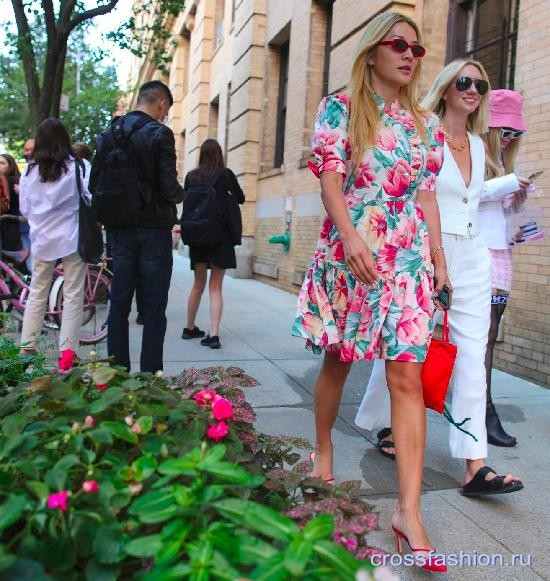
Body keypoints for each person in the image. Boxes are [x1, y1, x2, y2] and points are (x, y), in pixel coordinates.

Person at [291, 12, 447, 571]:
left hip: (406, 264)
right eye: (398, 45)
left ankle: (410, 512)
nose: (409, 55)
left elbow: (427, 196)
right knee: (337, 360)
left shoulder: (424, 123)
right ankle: (324, 449)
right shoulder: (341, 107)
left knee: (407, 377)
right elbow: (330, 176)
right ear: (373, 51)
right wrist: (352, 237)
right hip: (352, 255)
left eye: (417, 49)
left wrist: (438, 262)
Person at [356, 60, 524, 498]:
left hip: (472, 255)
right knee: (405, 346)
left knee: (471, 354)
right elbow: (415, 191)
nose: (473, 89)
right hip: (425, 250)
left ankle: (475, 465)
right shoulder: (423, 129)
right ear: (446, 89)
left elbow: (472, 198)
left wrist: (508, 187)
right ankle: (383, 422)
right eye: (464, 82)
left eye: (480, 83)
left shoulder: (475, 142)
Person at [90, 80, 185, 373]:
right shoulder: (160, 133)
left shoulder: (108, 134)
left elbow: (94, 184)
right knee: (153, 308)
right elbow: (169, 188)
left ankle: (116, 375)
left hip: (119, 230)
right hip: (154, 231)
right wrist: (183, 196)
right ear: (162, 104)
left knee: (118, 304)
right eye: (165, 111)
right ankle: (150, 378)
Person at [480, 90, 530, 447]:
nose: (510, 138)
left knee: (490, 333)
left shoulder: (501, 159)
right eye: (505, 131)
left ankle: (484, 410)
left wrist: (518, 199)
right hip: (473, 252)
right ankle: (482, 410)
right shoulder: (471, 150)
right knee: (475, 336)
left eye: (516, 133)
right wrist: (508, 183)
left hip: (500, 255)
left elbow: (501, 212)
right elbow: (465, 195)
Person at [19, 119, 89, 362]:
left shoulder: (29, 171)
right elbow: (90, 198)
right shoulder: (78, 167)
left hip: (41, 239)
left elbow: (25, 209)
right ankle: (67, 352)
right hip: (72, 237)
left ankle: (27, 347)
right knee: (73, 294)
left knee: (37, 291)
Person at [181, 138, 244, 349]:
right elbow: (241, 198)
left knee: (198, 284)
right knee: (215, 287)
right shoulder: (225, 175)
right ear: (219, 154)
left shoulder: (192, 176)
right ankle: (214, 334)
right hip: (220, 238)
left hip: (198, 236)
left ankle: (189, 328)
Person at [0, 154, 25, 259]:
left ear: (10, 166)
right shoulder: (18, 180)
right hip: (14, 226)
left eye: (2, 163)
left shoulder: (9, 181)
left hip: (9, 227)